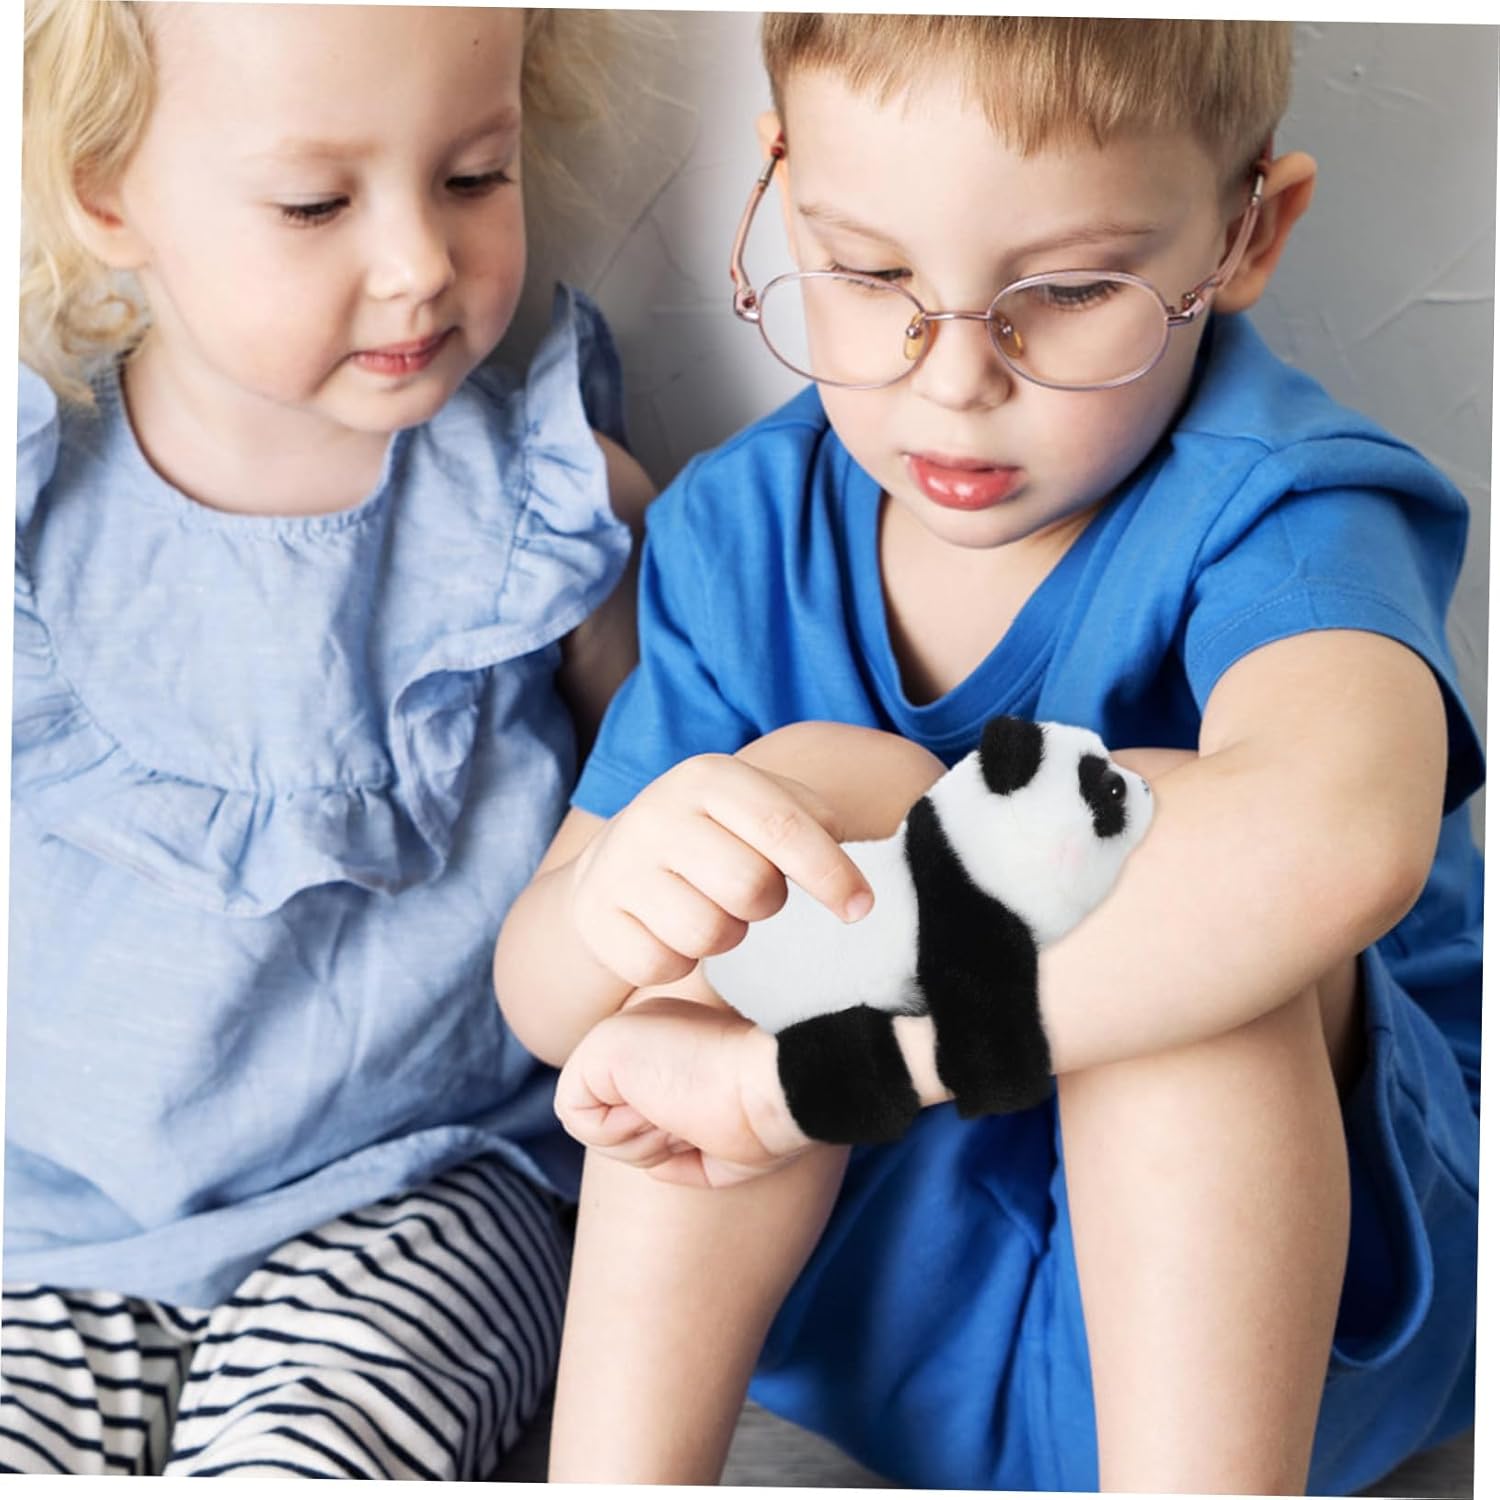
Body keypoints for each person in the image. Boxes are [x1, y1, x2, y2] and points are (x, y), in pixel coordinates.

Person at [493, 15, 1483, 1495]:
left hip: (1268, 1333)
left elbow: (1338, 844)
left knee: (1151, 860)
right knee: (790, 807)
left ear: (1248, 231)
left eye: (1069, 289)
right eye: (871, 273)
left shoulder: (1286, 506)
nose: (953, 378)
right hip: (897, 1306)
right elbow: (544, 998)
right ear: (784, 191)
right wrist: (619, 898)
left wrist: (803, 1085)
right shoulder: (742, 529)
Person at [6, 2, 654, 1479]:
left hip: (425, 1190)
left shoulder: (552, 513)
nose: (421, 260)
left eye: (474, 177)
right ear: (109, 196)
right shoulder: (32, 520)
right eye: (314, 203)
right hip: (57, 1231)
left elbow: (654, 810)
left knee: (310, 1457)